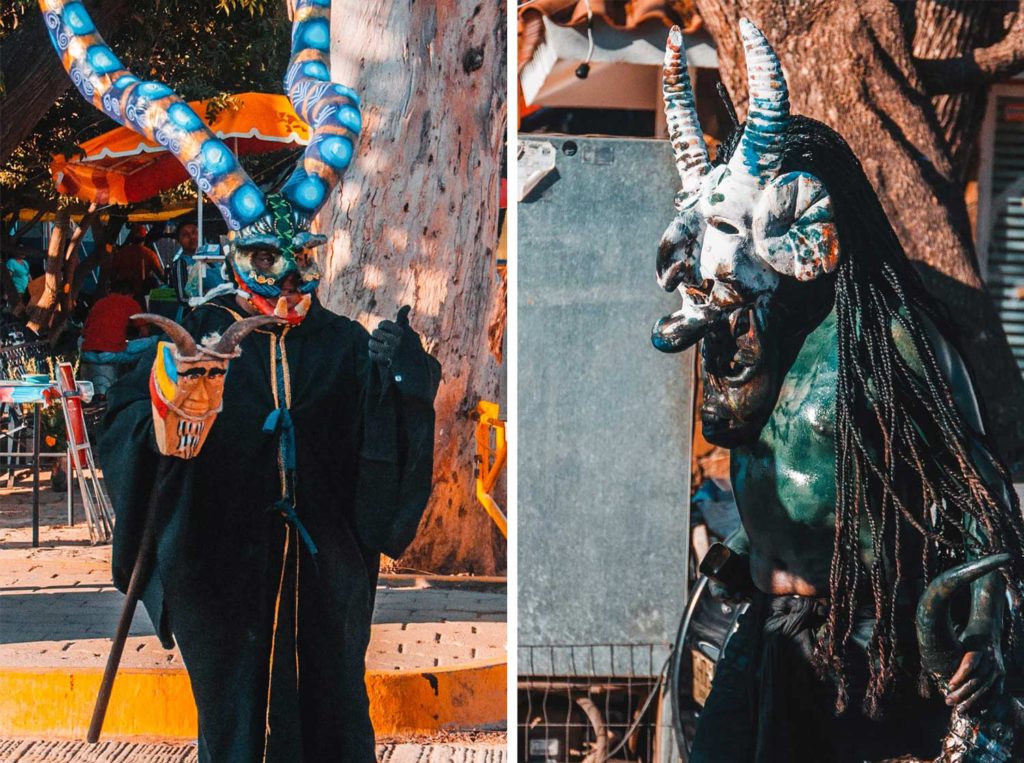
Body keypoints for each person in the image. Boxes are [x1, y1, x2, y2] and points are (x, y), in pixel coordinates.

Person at [44, 1, 439, 761]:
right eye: (268, 263)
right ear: (235, 261)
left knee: (331, 712)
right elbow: (144, 435)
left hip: (324, 582)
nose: (288, 280)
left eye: (303, 262)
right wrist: (172, 400)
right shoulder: (203, 341)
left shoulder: (340, 345)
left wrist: (400, 378)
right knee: (235, 724)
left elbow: (381, 455)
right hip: (226, 573)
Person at [652, 22, 1024, 762]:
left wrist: (980, 631)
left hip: (867, 644)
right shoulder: (752, 338)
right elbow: (732, 428)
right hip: (769, 628)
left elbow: (981, 501)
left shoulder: (884, 341)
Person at [105, 224, 164, 301]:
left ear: (131, 239)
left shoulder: (121, 253)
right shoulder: (149, 254)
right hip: (141, 294)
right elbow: (161, 275)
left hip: (124, 294)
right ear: (144, 239)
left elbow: (112, 275)